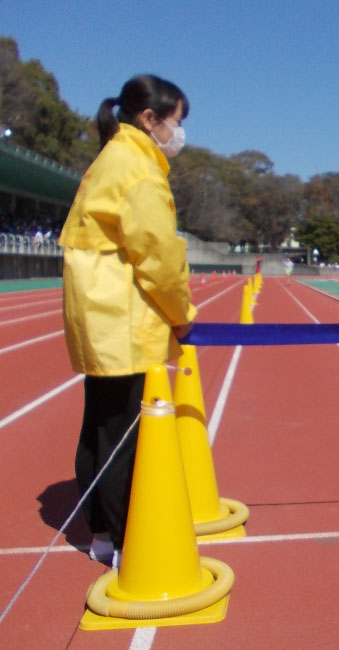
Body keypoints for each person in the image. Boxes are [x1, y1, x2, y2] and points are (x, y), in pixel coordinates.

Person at [59, 75, 197, 566]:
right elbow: (157, 254)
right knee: (122, 436)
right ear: (150, 119)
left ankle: (100, 532)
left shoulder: (111, 158)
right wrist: (183, 317)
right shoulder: (138, 168)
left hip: (99, 315)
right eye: (176, 122)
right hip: (121, 316)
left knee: (99, 425)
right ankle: (122, 541)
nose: (180, 133)